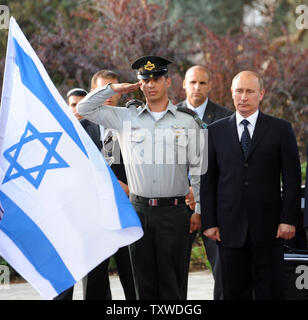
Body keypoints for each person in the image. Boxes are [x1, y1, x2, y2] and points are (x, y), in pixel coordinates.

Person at [77, 55, 204, 300]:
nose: (151, 84)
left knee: (173, 286)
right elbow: (84, 108)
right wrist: (114, 88)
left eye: (156, 78)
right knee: (141, 285)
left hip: (174, 212)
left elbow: (199, 171)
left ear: (168, 81)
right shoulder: (124, 117)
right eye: (145, 79)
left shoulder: (187, 121)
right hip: (139, 211)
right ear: (138, 83)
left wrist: (199, 208)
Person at [200, 70, 301, 300]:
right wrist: (210, 222)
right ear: (231, 93)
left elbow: (292, 178)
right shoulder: (215, 131)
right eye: (239, 91)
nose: (243, 97)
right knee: (233, 293)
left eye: (249, 91)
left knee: (270, 292)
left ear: (261, 94)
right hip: (228, 230)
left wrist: (288, 219)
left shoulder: (280, 129)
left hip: (270, 229)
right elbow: (208, 180)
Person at [177, 65, 233, 300]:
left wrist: (200, 191)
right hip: (178, 203)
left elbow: (229, 163)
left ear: (210, 85)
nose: (197, 87)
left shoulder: (225, 117)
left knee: (223, 271)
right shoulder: (169, 115)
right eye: (192, 82)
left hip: (213, 204)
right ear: (184, 84)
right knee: (175, 271)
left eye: (202, 83)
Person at [81, 69, 136, 300]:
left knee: (133, 279)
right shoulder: (80, 130)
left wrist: (132, 189)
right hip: (94, 217)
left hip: (128, 213)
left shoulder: (133, 125)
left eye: (114, 89)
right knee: (94, 282)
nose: (109, 95)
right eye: (103, 89)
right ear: (93, 92)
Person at [53, 87, 88, 300]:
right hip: (63, 215)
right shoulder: (55, 133)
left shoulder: (98, 133)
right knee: (64, 277)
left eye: (82, 105)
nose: (77, 109)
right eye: (73, 104)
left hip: (90, 216)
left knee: (93, 279)